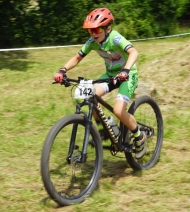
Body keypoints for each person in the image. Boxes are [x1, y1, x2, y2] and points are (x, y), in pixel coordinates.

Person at [53, 8, 147, 159]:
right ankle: (105, 130)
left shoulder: (115, 38)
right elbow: (77, 57)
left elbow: (134, 52)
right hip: (110, 76)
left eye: (96, 29)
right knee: (89, 95)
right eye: (90, 31)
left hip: (127, 75)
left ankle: (139, 136)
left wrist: (126, 71)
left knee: (118, 110)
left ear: (107, 28)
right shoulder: (93, 42)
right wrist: (62, 70)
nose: (94, 34)